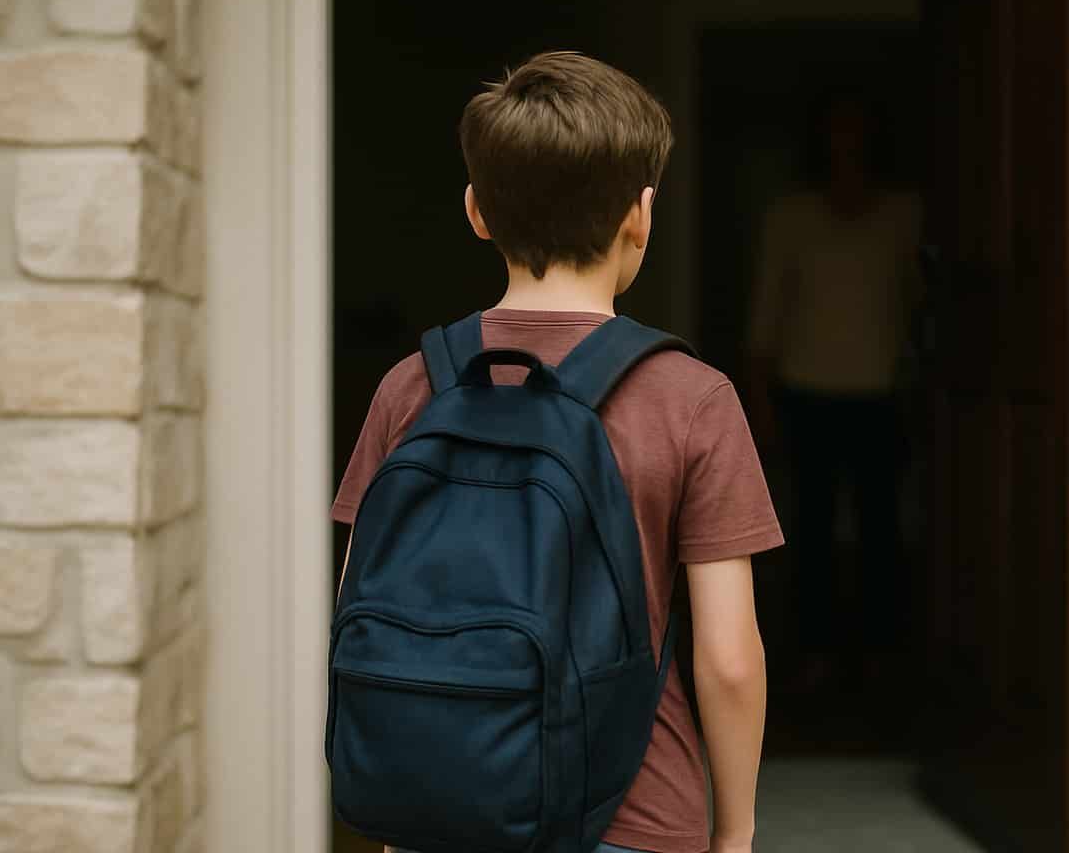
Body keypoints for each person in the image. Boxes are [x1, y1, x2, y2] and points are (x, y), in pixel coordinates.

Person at [331, 52, 783, 853]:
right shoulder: (692, 398)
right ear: (640, 216)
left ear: (476, 211)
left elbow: (359, 607)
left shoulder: (412, 386)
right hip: (632, 817)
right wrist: (735, 832)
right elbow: (729, 658)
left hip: (442, 808)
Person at [747, 91, 921, 691]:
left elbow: (922, 306)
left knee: (881, 530)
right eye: (837, 131)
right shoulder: (790, 215)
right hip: (807, 392)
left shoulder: (905, 213)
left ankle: (880, 654)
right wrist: (762, 404)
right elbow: (766, 314)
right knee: (814, 530)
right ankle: (816, 654)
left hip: (882, 393)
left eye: (859, 130)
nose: (847, 143)